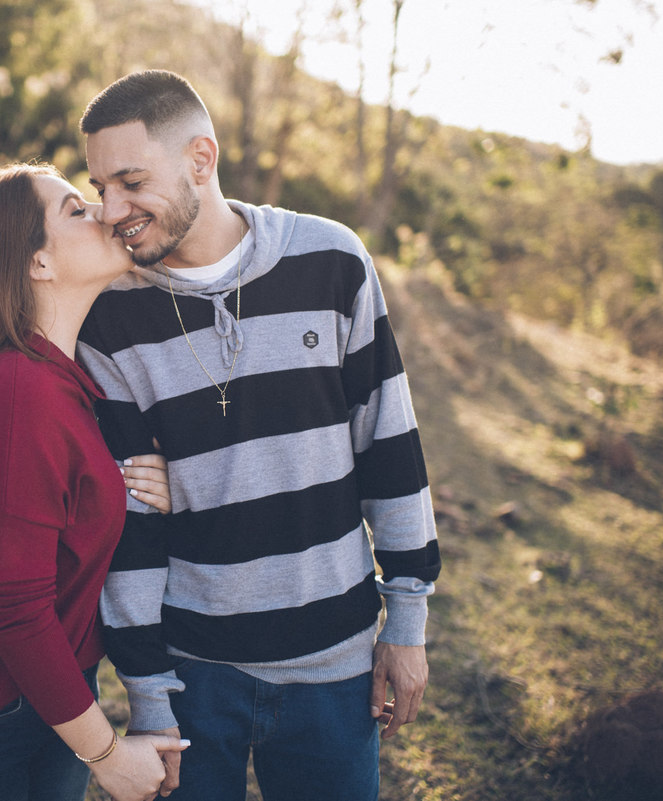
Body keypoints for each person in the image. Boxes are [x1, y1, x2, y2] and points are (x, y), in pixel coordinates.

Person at [74, 70, 442, 800]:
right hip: (192, 671)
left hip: (334, 664)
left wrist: (408, 619)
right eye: (99, 186)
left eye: (131, 181)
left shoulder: (331, 261)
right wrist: (147, 693)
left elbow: (391, 449)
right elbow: (134, 528)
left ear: (200, 160)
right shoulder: (109, 319)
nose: (111, 210)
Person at [0, 163, 191, 801]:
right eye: (77, 209)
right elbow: (14, 608)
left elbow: (53, 506)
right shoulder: (17, 392)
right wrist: (107, 755)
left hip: (47, 700)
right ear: (38, 264)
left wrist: (131, 485)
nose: (105, 213)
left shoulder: (61, 381)